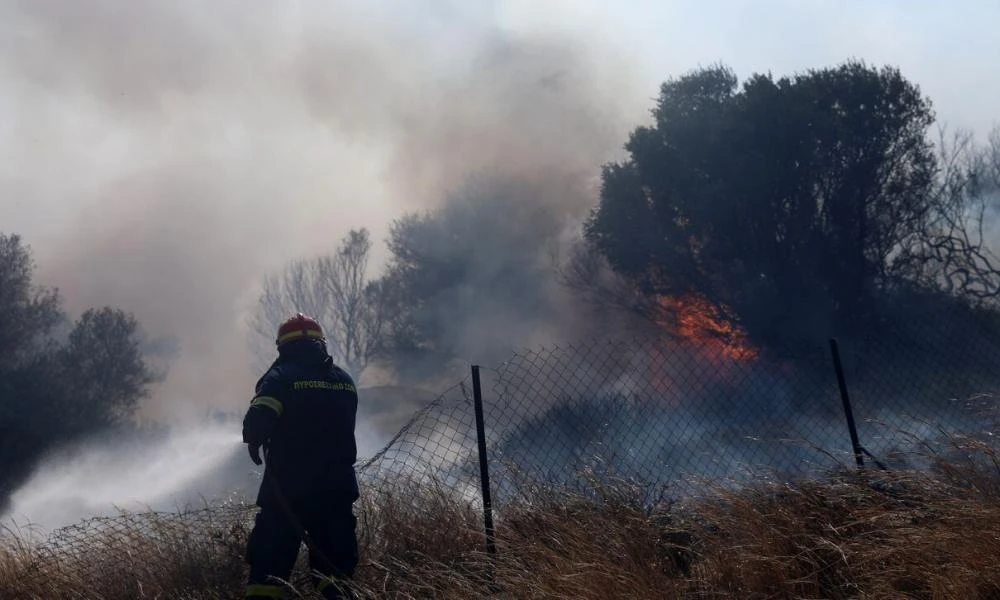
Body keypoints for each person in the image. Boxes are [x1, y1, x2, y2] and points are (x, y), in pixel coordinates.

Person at [242, 313, 360, 600]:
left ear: (282, 347)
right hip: (336, 490)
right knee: (335, 574)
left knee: (268, 574)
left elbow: (259, 420)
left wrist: (253, 439)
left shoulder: (281, 377)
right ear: (321, 343)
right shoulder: (344, 380)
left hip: (288, 491)